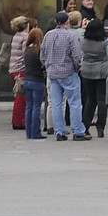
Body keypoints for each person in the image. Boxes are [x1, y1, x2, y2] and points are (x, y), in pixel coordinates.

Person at [40, 11, 87, 141]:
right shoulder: (70, 36)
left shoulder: (48, 36)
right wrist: (77, 68)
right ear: (67, 22)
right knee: (75, 102)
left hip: (53, 73)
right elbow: (77, 56)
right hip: (68, 72)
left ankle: (59, 131)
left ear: (56, 22)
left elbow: (42, 55)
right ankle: (77, 130)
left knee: (55, 103)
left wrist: (48, 66)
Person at [80, 19, 108, 139]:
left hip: (87, 70)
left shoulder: (83, 41)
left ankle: (85, 125)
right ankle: (100, 126)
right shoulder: (105, 42)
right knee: (102, 99)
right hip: (102, 70)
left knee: (90, 99)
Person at [22, 28, 47, 140]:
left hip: (27, 80)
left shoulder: (27, 49)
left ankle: (29, 132)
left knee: (29, 107)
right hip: (37, 80)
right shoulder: (39, 50)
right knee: (37, 107)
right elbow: (44, 64)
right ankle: (36, 132)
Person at [8, 16, 30, 130]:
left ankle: (17, 120)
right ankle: (19, 122)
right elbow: (26, 53)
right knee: (21, 97)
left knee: (19, 95)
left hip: (13, 68)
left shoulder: (16, 36)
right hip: (21, 69)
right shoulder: (25, 37)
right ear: (26, 25)